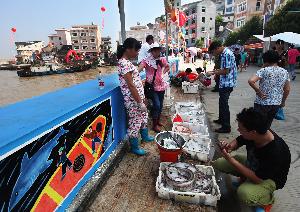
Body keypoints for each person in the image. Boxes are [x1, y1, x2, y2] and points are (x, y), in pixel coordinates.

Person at [213, 107, 291, 210]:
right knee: (219, 163)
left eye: (241, 129)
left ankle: (267, 199)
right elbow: (240, 140)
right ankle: (245, 179)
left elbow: (258, 179)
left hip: (268, 179)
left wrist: (230, 159)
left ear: (253, 132)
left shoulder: (276, 151)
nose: (238, 130)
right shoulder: (257, 133)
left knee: (244, 193)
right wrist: (229, 147)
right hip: (254, 165)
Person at [117, 38, 154, 156]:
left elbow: (134, 81)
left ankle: (145, 136)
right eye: (136, 50)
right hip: (133, 101)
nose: (138, 52)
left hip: (138, 98)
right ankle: (134, 147)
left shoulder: (127, 62)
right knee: (135, 122)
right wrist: (140, 102)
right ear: (128, 49)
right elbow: (131, 85)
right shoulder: (124, 63)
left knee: (143, 117)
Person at [248, 50, 290, 128]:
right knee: (267, 125)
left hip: (262, 103)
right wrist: (283, 102)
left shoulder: (263, 70)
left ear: (265, 60)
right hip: (276, 103)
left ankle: (259, 139)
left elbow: (251, 81)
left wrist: (258, 91)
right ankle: (266, 138)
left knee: (258, 125)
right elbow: (287, 89)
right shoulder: (285, 72)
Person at [207, 41, 237, 133]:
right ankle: (221, 119)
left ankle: (226, 126)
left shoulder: (226, 54)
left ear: (217, 48)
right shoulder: (225, 53)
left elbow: (226, 71)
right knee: (221, 102)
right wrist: (216, 71)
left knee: (224, 105)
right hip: (224, 82)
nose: (214, 54)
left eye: (213, 52)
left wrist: (212, 73)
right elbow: (223, 69)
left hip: (227, 83)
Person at [139, 42, 170, 133]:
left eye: (158, 50)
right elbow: (139, 69)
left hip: (161, 85)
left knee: (160, 104)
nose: (157, 52)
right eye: (155, 50)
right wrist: (132, 74)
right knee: (156, 104)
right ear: (151, 51)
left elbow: (167, 67)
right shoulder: (146, 60)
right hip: (152, 86)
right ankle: (154, 125)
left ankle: (157, 121)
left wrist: (163, 74)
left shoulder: (162, 59)